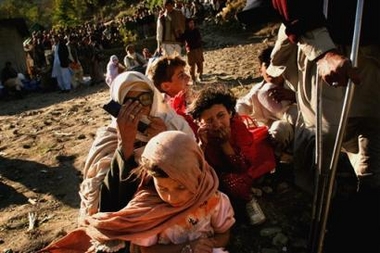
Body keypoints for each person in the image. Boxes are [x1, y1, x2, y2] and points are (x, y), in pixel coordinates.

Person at [268, 1, 379, 252]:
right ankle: (323, 221)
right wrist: (321, 51)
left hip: (373, 48)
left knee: (373, 153)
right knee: (321, 145)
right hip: (330, 46)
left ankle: (362, 220)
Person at [40, 131, 235, 253]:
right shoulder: (148, 208)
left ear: (197, 174)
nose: (171, 197)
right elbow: (144, 249)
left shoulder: (213, 200)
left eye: (181, 187)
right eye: (163, 188)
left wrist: (208, 245)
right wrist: (186, 249)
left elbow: (223, 233)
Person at [79, 71, 194, 220]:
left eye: (144, 98)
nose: (139, 108)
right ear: (118, 102)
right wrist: (125, 144)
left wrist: (163, 141)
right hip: (132, 210)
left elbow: (194, 170)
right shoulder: (109, 137)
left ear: (153, 97)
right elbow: (104, 204)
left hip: (174, 198)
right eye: (129, 102)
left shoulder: (173, 123)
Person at [188, 83, 277, 225]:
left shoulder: (238, 129)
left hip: (236, 174)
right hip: (212, 176)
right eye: (209, 120)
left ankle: (247, 200)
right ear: (200, 122)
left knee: (231, 181)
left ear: (229, 113)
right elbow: (197, 166)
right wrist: (202, 145)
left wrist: (225, 144)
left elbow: (242, 166)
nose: (217, 124)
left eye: (221, 116)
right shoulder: (202, 134)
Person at [236, 45, 297, 158]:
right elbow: (242, 105)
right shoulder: (257, 91)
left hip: (296, 133)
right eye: (267, 65)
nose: (271, 70)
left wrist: (294, 96)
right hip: (268, 136)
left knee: (281, 129)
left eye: (275, 65)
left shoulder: (294, 86)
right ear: (260, 70)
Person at [147, 55, 199, 134]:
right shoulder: (167, 114)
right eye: (181, 75)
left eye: (185, 73)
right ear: (166, 86)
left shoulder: (184, 100)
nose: (188, 77)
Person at [181, 17, 205, 84]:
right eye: (190, 23)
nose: (192, 24)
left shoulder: (196, 30)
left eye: (193, 23)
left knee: (200, 63)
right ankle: (193, 79)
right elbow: (182, 39)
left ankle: (200, 76)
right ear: (187, 24)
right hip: (190, 50)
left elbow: (199, 39)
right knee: (192, 65)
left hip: (198, 48)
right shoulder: (186, 32)